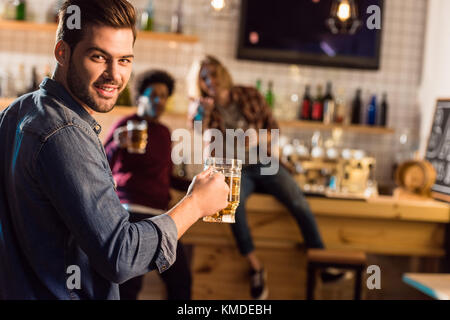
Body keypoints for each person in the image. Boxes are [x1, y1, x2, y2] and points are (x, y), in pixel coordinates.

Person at [0, 1, 229, 300]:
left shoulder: (18, 110)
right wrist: (195, 205)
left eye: (124, 60)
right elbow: (121, 256)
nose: (114, 75)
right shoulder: (67, 133)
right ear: (62, 53)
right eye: (98, 57)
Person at [188, 55, 346, 300]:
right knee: (231, 207)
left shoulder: (249, 94)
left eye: (213, 74)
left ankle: (323, 264)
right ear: (199, 83)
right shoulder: (201, 106)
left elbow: (274, 129)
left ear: (223, 73)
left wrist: (258, 138)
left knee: (298, 201)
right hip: (234, 168)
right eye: (204, 77)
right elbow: (199, 132)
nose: (211, 81)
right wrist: (204, 113)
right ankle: (256, 268)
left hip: (263, 161)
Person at [104, 70, 192, 300]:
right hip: (129, 215)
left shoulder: (164, 132)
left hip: (161, 218)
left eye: (164, 96)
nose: (159, 101)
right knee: (128, 288)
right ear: (139, 96)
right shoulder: (125, 124)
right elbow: (99, 165)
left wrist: (196, 184)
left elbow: (166, 176)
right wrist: (116, 144)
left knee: (181, 282)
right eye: (153, 95)